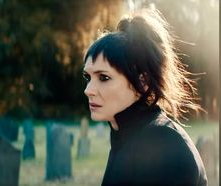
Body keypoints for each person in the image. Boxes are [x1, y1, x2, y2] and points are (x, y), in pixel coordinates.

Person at [82, 7, 208, 186]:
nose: (89, 90)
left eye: (104, 77)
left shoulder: (166, 147)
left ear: (142, 83)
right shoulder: (125, 135)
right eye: (88, 77)